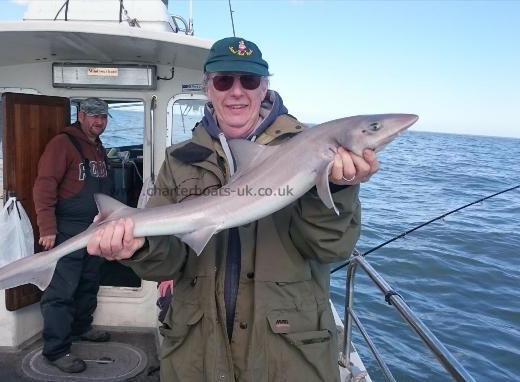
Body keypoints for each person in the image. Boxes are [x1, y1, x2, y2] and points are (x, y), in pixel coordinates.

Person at [86, 37, 379, 381]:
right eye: (225, 81)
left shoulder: (305, 147)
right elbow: (170, 261)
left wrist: (339, 188)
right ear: (208, 88)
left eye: (249, 81)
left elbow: (331, 248)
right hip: (199, 352)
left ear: (264, 88)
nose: (237, 91)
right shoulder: (179, 159)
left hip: (286, 355)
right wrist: (138, 247)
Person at [33, 97, 113, 373]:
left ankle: (81, 328)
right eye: (93, 116)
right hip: (66, 228)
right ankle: (56, 350)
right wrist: (47, 228)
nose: (98, 121)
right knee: (61, 291)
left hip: (95, 228)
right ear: (80, 115)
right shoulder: (62, 144)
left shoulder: (98, 147)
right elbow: (45, 185)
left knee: (88, 281)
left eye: (103, 117)